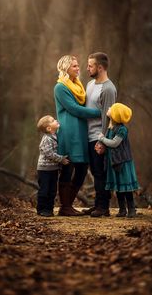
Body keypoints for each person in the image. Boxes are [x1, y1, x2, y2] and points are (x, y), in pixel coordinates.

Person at [54, 55, 101, 216]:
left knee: (82, 169)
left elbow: (83, 106)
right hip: (68, 132)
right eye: (74, 66)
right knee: (68, 168)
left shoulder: (78, 86)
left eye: (77, 65)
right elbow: (75, 109)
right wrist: (99, 113)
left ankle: (68, 205)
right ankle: (65, 207)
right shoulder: (60, 87)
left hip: (81, 132)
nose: (78, 68)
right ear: (66, 68)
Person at [85, 52, 117, 217]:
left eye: (90, 65)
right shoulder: (90, 84)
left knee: (100, 173)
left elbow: (108, 116)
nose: (87, 68)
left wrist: (103, 141)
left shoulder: (109, 89)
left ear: (100, 67)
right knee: (95, 171)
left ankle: (103, 207)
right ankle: (97, 204)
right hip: (89, 136)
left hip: (99, 137)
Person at [98, 103, 140, 218]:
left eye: (111, 108)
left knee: (125, 186)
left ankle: (132, 209)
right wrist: (101, 145)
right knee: (118, 187)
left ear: (115, 115)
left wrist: (101, 138)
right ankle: (122, 210)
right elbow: (107, 143)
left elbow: (114, 143)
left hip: (123, 162)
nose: (109, 108)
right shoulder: (110, 128)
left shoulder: (122, 129)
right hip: (113, 162)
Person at [36, 115, 69, 217]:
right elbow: (49, 153)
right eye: (53, 120)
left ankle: (49, 209)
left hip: (53, 169)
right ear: (49, 128)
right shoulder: (46, 139)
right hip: (45, 169)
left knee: (52, 190)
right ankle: (41, 209)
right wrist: (61, 159)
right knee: (44, 190)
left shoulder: (55, 136)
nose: (56, 120)